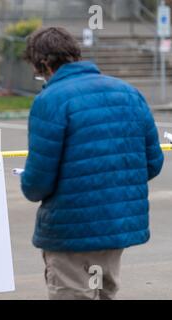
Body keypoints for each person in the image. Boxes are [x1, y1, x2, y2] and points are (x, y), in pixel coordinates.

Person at [20, 27, 164, 300]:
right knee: (105, 293)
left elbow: (37, 182)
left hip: (69, 229)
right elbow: (153, 162)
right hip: (116, 225)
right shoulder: (130, 93)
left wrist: (27, 180)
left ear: (44, 64)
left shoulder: (50, 100)